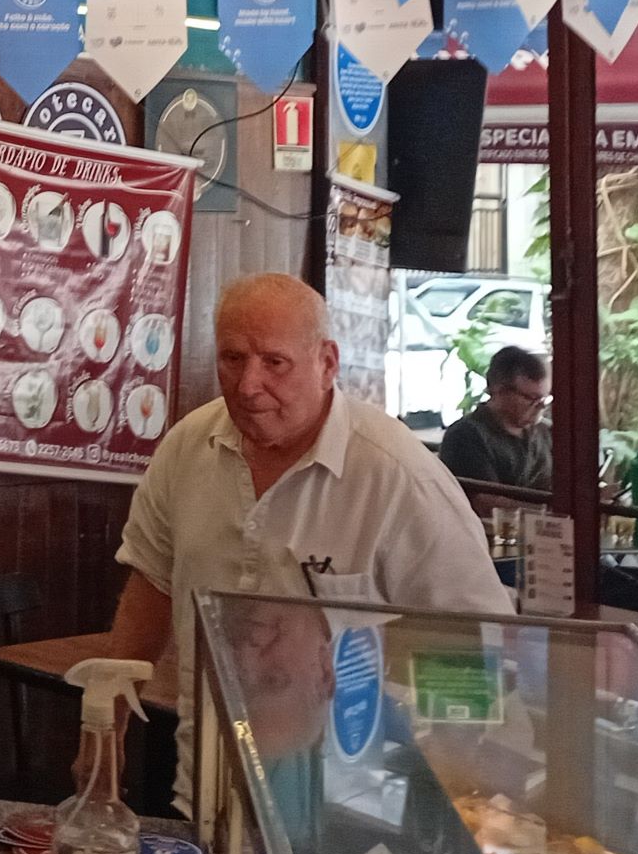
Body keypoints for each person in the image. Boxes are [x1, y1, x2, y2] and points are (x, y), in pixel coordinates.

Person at [104, 273, 513, 816]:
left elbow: (475, 647)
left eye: (274, 362)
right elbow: (152, 585)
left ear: (327, 362)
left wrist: (442, 798)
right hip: (203, 788)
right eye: (232, 358)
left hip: (351, 808)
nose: (248, 385)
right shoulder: (186, 449)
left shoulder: (397, 477)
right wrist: (105, 722)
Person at [438, 346, 552, 518]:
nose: (541, 407)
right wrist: (551, 511)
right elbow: (487, 505)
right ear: (499, 391)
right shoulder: (466, 435)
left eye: (544, 399)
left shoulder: (545, 432)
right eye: (531, 399)